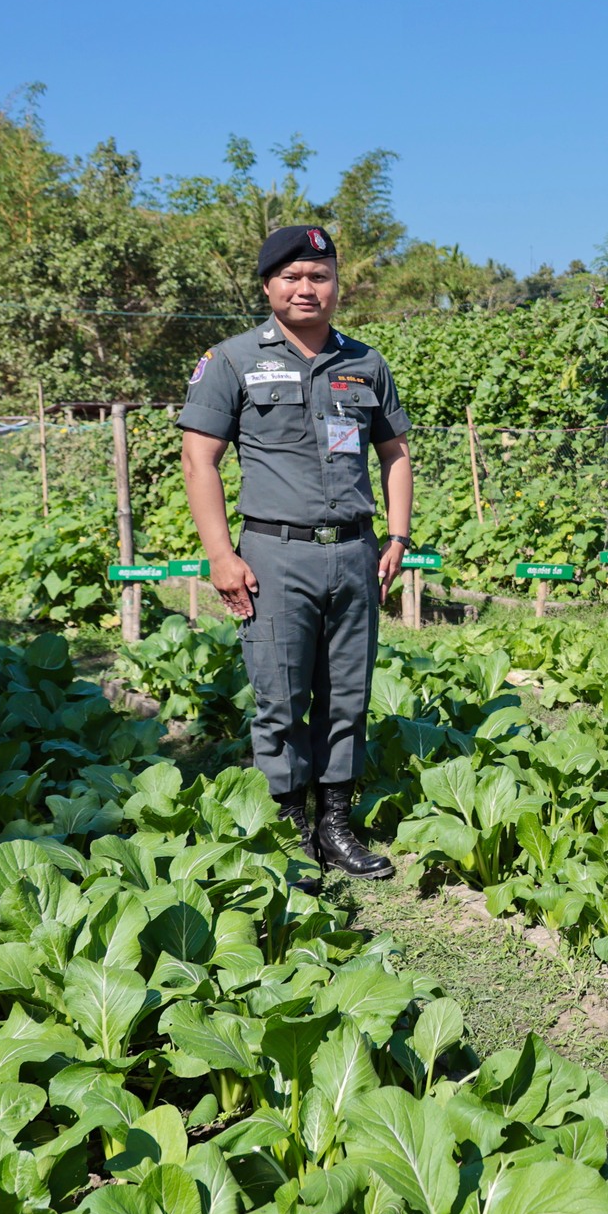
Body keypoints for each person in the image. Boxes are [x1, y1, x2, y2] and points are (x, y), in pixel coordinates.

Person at [179, 224, 413, 880]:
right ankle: (288, 825)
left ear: (338, 285)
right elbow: (199, 458)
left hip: (354, 554)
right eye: (292, 276)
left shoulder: (366, 364)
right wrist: (220, 555)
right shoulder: (232, 360)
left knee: (347, 694)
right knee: (280, 694)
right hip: (274, 554)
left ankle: (335, 822)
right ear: (267, 286)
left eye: (320, 275)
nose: (306, 288)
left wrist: (397, 536)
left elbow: (394, 453)